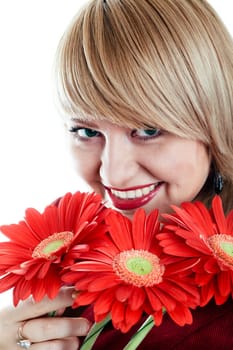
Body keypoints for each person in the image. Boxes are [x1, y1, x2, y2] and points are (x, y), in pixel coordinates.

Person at [0, 0, 233, 349]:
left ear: (215, 122)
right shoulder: (65, 247)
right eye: (87, 132)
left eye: (148, 129)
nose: (114, 174)